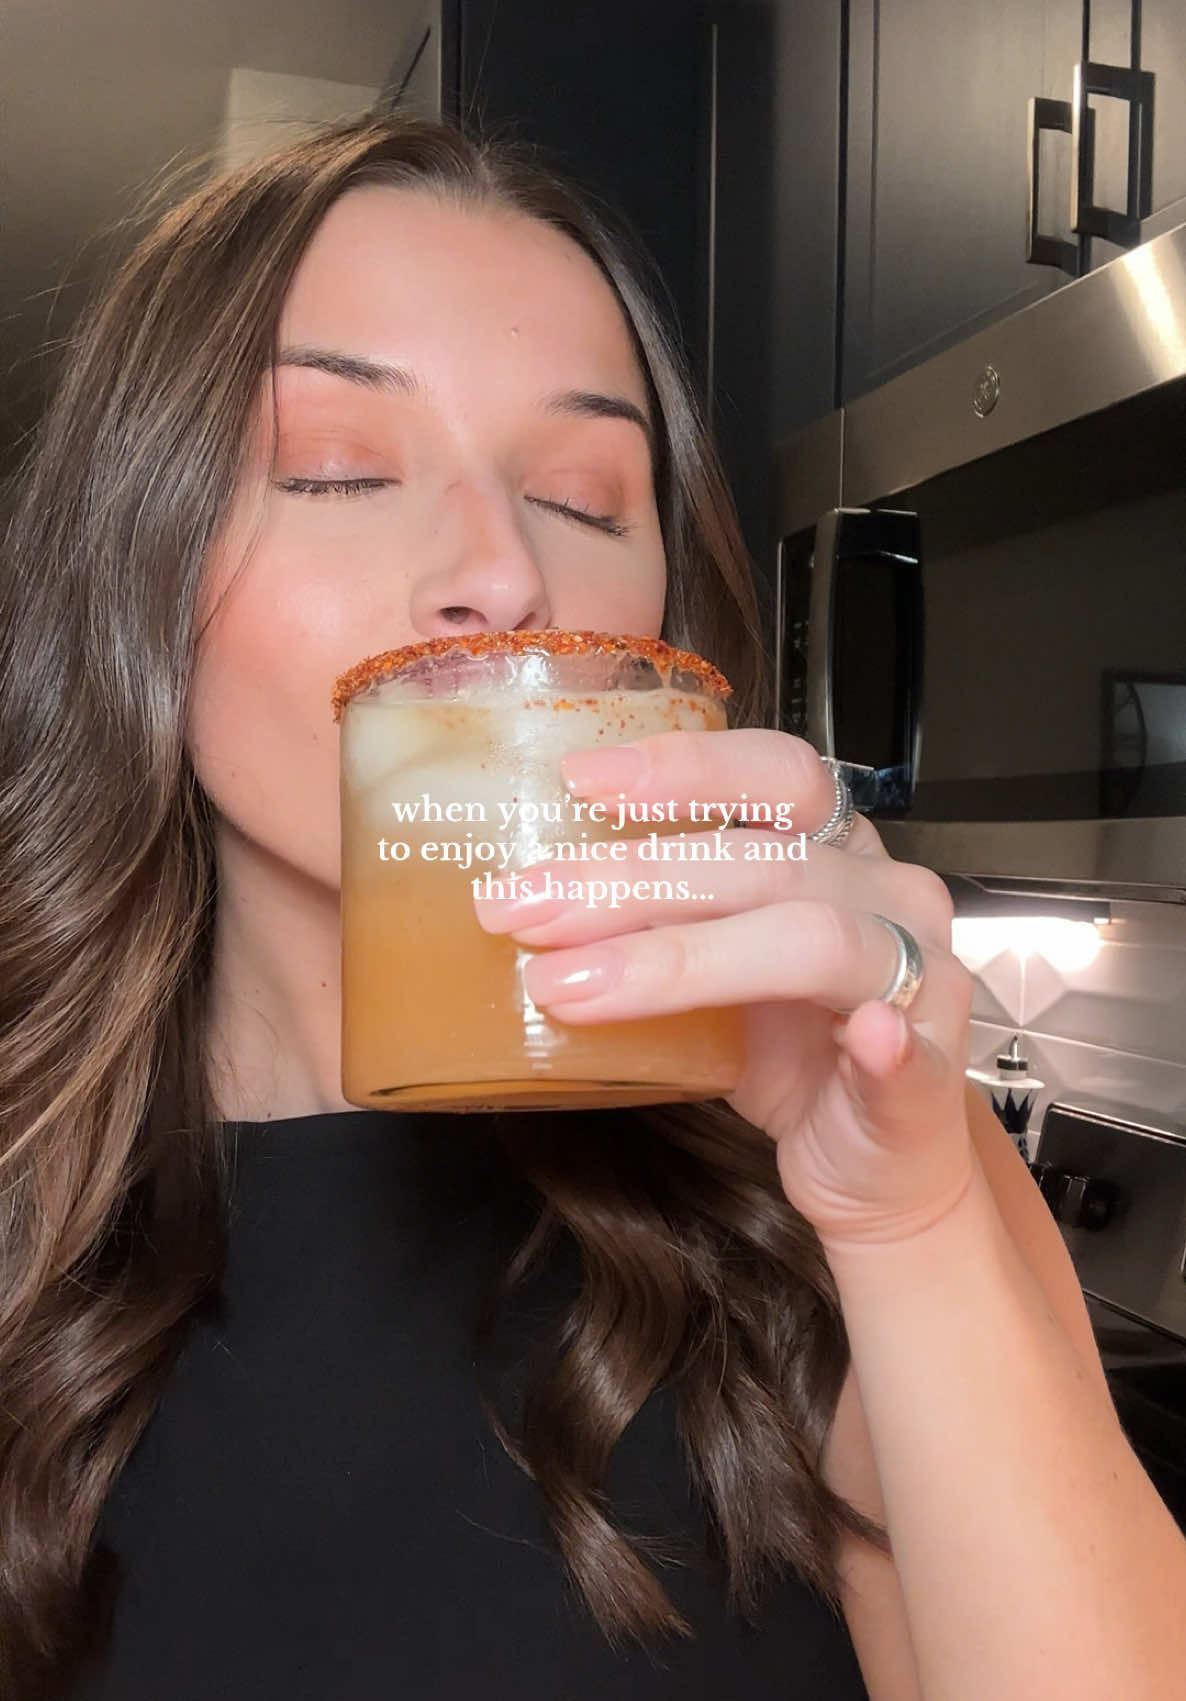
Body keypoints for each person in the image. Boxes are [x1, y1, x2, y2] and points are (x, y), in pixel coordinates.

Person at [0, 110, 1182, 1701]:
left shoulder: (861, 1168)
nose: (499, 573)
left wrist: (911, 1225)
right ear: (135, 571)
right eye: (340, 468)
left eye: (579, 495)